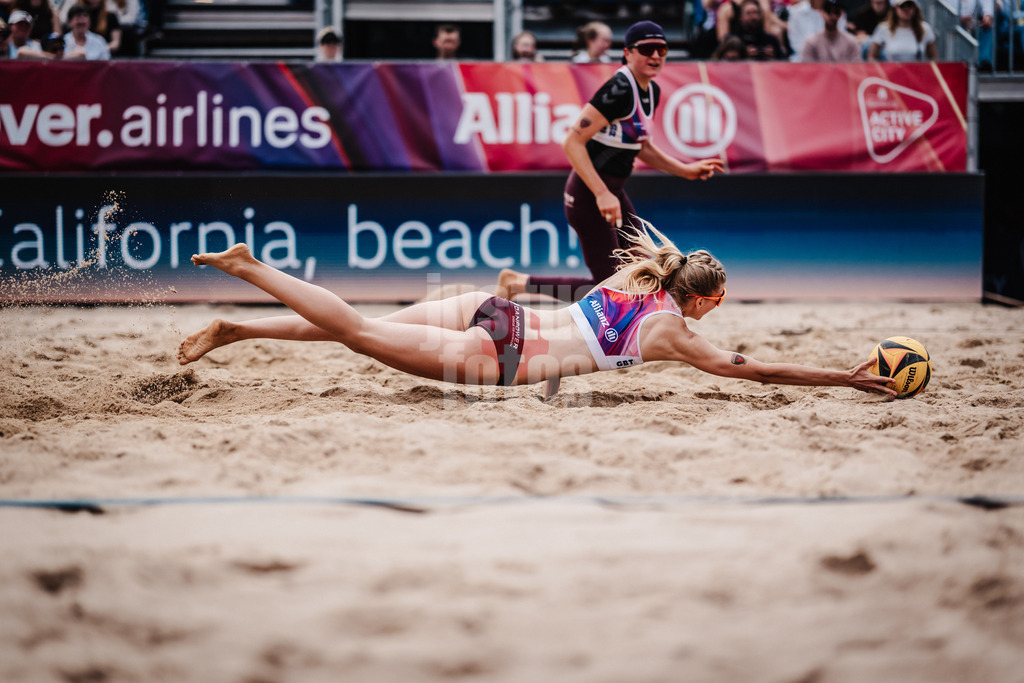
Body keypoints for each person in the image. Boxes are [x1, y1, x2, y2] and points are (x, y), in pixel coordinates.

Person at [176, 220, 897, 400]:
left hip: (492, 311)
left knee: (365, 325)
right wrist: (844, 376)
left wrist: (512, 289)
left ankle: (236, 329)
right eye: (722, 299)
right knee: (360, 332)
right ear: (703, 297)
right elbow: (754, 369)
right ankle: (252, 268)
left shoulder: (641, 277)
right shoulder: (671, 330)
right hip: (508, 356)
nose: (720, 310)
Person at [499, 21, 723, 304]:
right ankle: (518, 283)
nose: (656, 55)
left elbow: (640, 146)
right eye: (647, 49)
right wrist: (602, 193)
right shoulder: (619, 89)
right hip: (588, 193)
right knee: (610, 288)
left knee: (645, 270)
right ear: (628, 53)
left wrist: (685, 169)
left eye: (662, 49)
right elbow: (572, 142)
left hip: (611, 192)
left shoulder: (650, 90)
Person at [866, 0, 937, 61]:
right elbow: (871, 56)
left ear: (915, 8)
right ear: (895, 9)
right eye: (902, 6)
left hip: (917, 74)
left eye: (910, 5)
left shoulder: (925, 28)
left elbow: (934, 57)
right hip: (892, 73)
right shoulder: (884, 28)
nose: (906, 9)